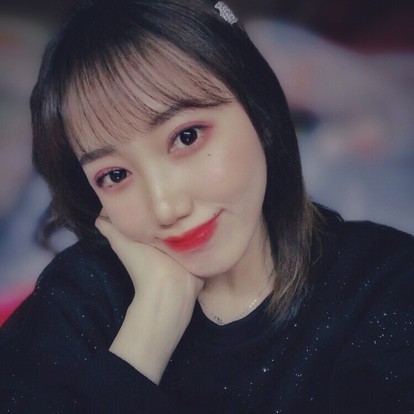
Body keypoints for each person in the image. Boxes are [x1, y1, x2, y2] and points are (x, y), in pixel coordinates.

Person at [0, 0, 413, 412]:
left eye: (187, 137)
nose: (166, 207)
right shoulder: (77, 301)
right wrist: (150, 328)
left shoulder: (383, 287)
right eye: (115, 175)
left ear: (257, 110)